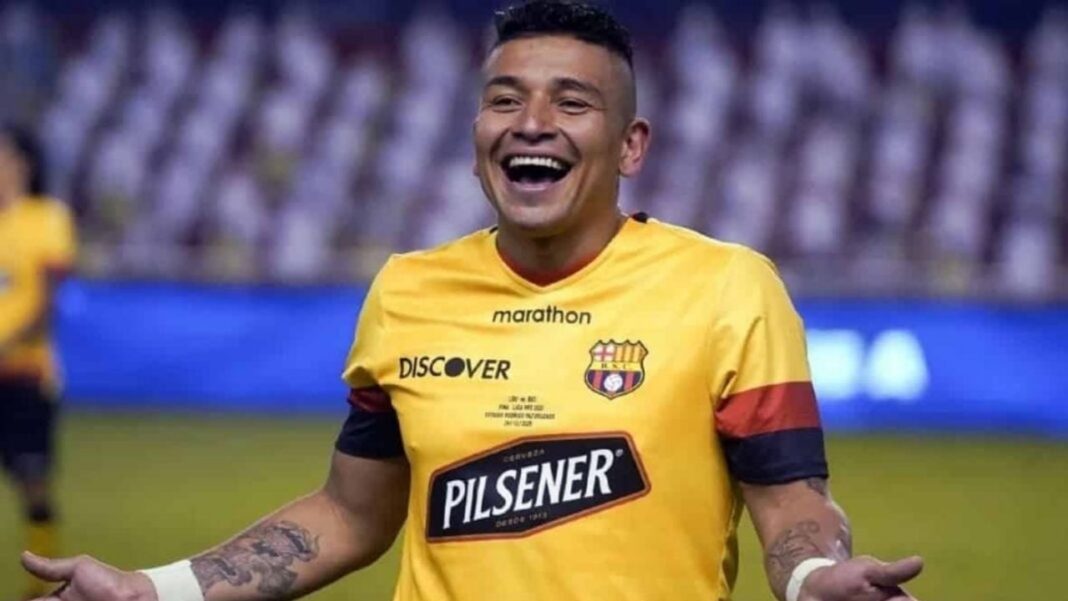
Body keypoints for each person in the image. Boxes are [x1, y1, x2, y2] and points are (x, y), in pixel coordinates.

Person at [21, 2, 924, 600]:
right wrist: (156, 588)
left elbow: (790, 502)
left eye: (571, 103)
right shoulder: (407, 290)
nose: (531, 123)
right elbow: (351, 512)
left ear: (631, 144)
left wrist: (812, 575)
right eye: (505, 100)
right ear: (477, 133)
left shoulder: (730, 288)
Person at [0, 122, 77, 600]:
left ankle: (39, 586)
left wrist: (9, 342)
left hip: (25, 373)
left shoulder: (47, 217)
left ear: (24, 164)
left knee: (32, 480)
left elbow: (48, 302)